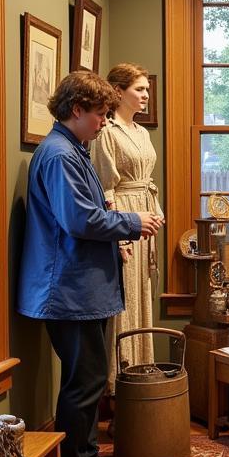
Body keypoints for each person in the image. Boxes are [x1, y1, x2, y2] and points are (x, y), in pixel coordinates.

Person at [17, 71, 164, 457]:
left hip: (81, 287)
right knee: (84, 380)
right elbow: (79, 219)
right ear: (76, 110)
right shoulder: (60, 155)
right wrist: (133, 223)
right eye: (99, 114)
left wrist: (119, 233)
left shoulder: (74, 149)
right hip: (66, 289)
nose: (104, 121)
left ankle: (86, 453)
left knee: (92, 376)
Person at [90, 64, 164, 388]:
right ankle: (120, 381)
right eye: (139, 89)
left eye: (147, 89)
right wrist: (118, 237)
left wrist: (155, 210)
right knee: (125, 303)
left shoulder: (141, 132)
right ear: (118, 92)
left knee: (141, 298)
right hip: (125, 220)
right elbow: (105, 187)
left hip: (145, 219)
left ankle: (141, 378)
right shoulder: (106, 131)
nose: (146, 95)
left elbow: (146, 181)